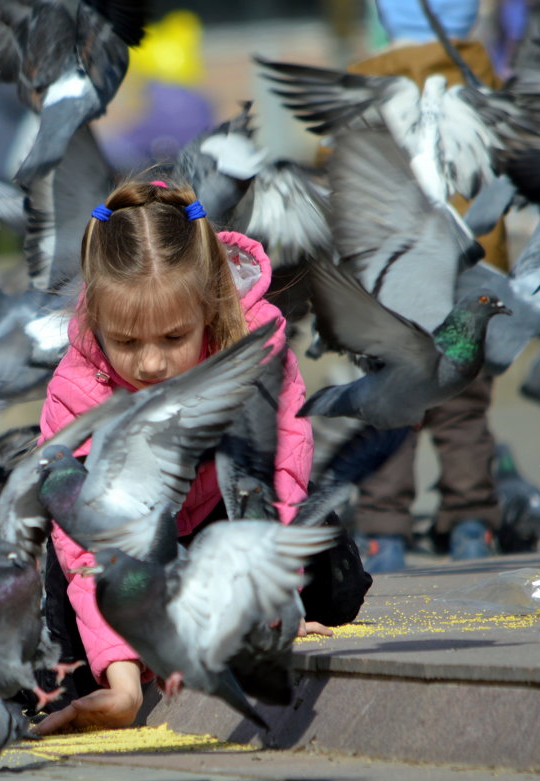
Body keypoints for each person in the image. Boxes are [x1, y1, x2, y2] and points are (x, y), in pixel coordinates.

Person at [32, 180, 336, 735]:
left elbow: (281, 473)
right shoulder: (78, 388)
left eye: (174, 337)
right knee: (73, 665)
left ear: (211, 308)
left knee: (336, 585)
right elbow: (88, 545)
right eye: (125, 341)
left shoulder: (256, 346)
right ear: (97, 322)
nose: (150, 364)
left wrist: (275, 603)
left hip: (227, 511)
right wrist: (123, 683)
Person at [349, 0, 524, 571]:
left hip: (393, 285)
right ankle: (472, 524)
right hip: (467, 278)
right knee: (463, 411)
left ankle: (383, 535)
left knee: (392, 405)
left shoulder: (368, 82)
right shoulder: (484, 75)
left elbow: (339, 164)